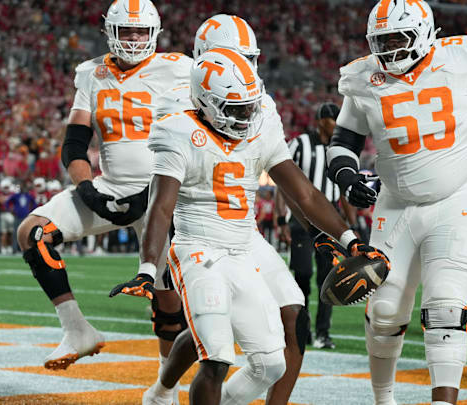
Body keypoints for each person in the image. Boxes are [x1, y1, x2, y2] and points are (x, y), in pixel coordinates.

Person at [129, 47, 389, 405]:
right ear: (206, 102)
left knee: (270, 365)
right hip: (198, 249)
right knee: (217, 358)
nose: (247, 114)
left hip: (241, 248)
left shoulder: (260, 123)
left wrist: (350, 240)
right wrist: (146, 268)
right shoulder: (178, 130)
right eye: (236, 108)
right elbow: (160, 208)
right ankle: (161, 395)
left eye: (250, 105)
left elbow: (306, 194)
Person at [325, 1, 467, 404]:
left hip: (455, 201)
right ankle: (383, 399)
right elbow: (344, 141)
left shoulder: (460, 60)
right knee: (384, 312)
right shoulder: (363, 77)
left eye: (398, 37)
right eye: (381, 40)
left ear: (424, 33)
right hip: (395, 205)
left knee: (446, 308)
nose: (389, 48)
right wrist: (346, 176)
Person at [14, 0, 193, 377]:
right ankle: (77, 330)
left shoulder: (180, 70)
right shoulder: (91, 74)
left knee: (166, 297)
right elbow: (75, 145)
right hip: (109, 187)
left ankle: (165, 388)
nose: (133, 38)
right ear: (109, 31)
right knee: (33, 232)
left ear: (154, 33)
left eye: (140, 31)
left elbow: (194, 139)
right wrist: (88, 191)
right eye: (125, 30)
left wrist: (154, 192)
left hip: (161, 194)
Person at [138, 15, 308, 405]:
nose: (241, 69)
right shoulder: (177, 105)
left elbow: (288, 179)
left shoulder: (258, 102)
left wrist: (332, 234)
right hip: (197, 229)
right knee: (213, 337)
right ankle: (164, 390)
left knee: (291, 315)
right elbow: (169, 185)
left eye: (246, 59)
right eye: (230, 58)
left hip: (244, 231)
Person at [277, 102, 343, 350]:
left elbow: (342, 193)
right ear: (320, 121)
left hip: (330, 217)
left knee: (328, 280)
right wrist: (281, 217)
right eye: (330, 119)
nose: (335, 123)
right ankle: (302, 328)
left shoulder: (340, 149)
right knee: (302, 275)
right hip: (301, 218)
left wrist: (350, 224)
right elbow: (281, 179)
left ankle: (323, 333)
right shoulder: (300, 143)